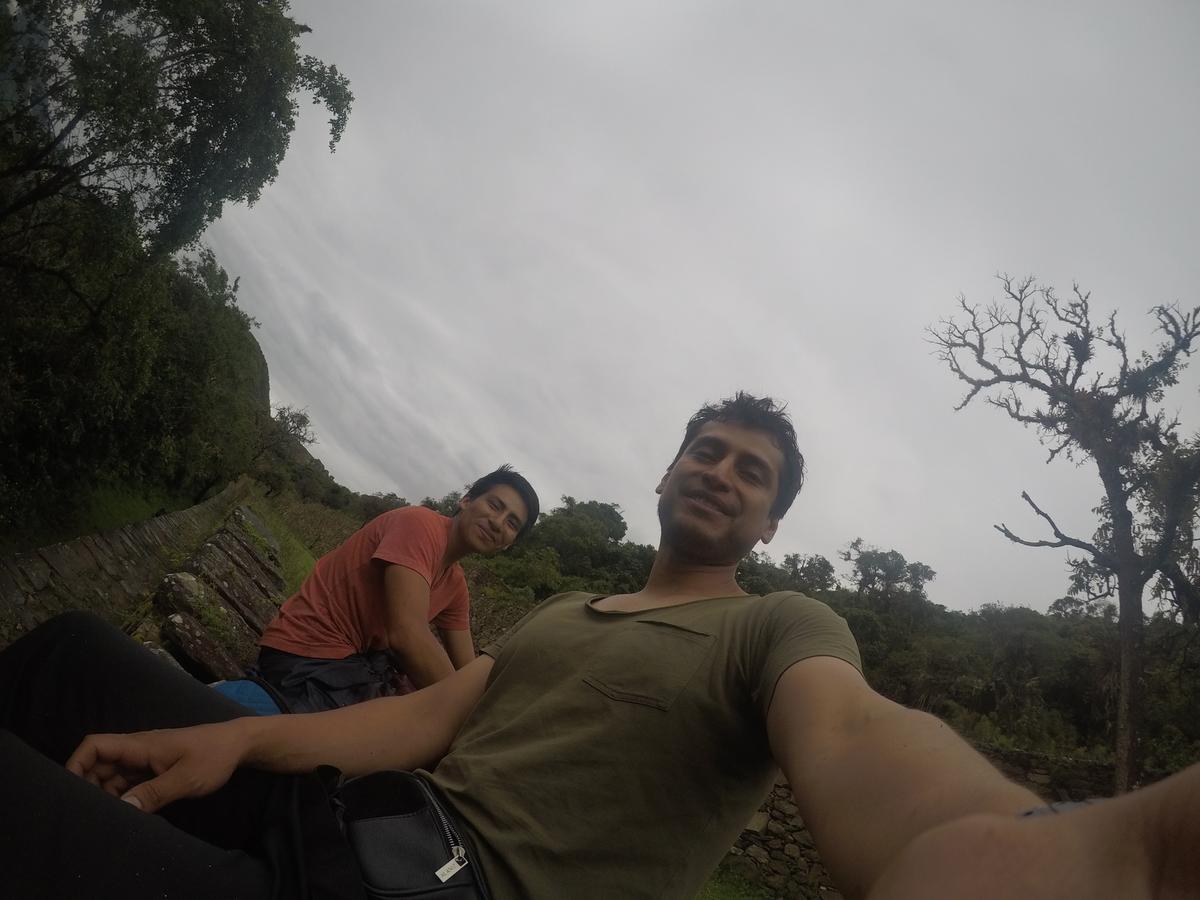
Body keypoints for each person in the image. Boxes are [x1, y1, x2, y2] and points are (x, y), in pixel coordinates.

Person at [2, 392, 1199, 900]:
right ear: (669, 470)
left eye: (754, 471)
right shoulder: (568, 617)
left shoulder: (780, 628)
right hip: (357, 810)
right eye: (709, 451)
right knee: (72, 656)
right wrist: (231, 747)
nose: (723, 473)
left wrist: (1056, 849)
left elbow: (851, 735)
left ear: (772, 519)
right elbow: (418, 721)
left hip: (428, 888)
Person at [255, 466, 539, 712]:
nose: (497, 522)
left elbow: (466, 671)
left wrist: (488, 706)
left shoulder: (455, 586)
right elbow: (407, 634)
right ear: (466, 501)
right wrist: (465, 714)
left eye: (512, 523)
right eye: (494, 505)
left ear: (507, 544)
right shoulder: (420, 525)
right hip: (302, 654)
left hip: (348, 666)